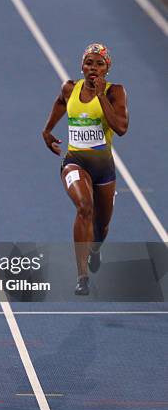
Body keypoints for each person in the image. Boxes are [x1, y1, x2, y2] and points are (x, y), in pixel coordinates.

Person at [42, 43, 128, 295]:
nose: (93, 68)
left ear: (107, 68)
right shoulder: (70, 88)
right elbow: (60, 102)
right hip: (74, 162)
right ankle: (82, 276)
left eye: (99, 64)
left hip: (104, 169)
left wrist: (101, 96)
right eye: (89, 63)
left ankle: (95, 250)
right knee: (84, 207)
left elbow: (121, 128)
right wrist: (47, 130)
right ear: (82, 65)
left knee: (100, 227)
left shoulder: (116, 92)